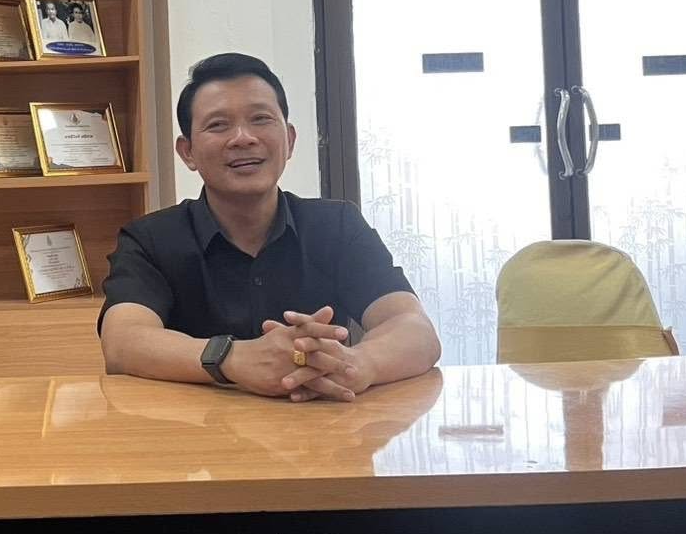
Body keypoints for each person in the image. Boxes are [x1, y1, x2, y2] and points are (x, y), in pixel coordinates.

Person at [98, 53, 440, 402]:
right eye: (218, 125)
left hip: (322, 427)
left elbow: (415, 330)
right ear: (188, 152)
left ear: (289, 140)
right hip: (200, 431)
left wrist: (355, 364)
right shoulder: (149, 240)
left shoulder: (336, 225)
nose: (243, 138)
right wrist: (230, 358)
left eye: (260, 119)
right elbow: (123, 342)